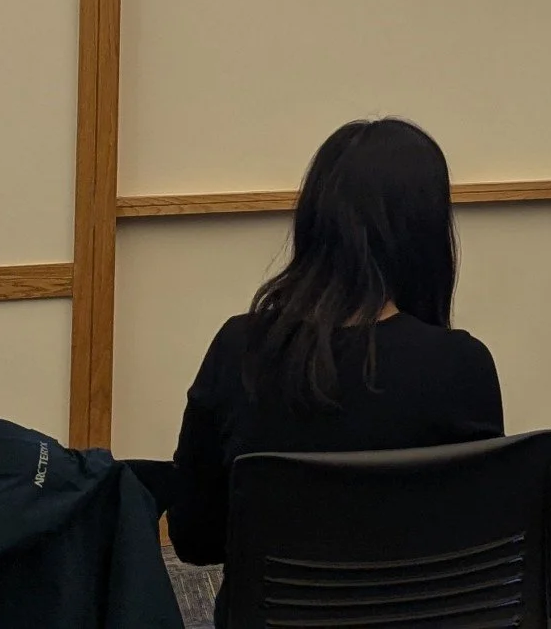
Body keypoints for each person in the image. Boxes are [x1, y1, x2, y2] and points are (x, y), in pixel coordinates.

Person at [165, 118, 503, 612]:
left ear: (313, 219)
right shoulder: (461, 364)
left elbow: (195, 538)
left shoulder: (240, 348)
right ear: (427, 233)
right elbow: (485, 543)